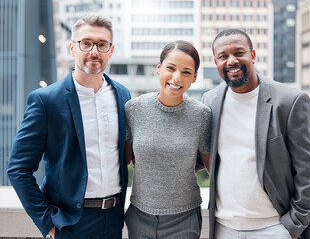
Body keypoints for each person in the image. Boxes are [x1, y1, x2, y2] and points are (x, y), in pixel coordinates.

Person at [7, 13, 130, 239]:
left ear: (111, 51)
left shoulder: (122, 95)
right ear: (73, 48)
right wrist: (48, 223)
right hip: (70, 223)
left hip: (114, 220)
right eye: (86, 43)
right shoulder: (46, 100)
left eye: (102, 44)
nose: (94, 51)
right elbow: (18, 169)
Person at [202, 29, 310, 239]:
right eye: (223, 56)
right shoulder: (209, 101)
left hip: (274, 228)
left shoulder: (289, 101)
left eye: (238, 53)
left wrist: (292, 227)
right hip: (223, 228)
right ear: (216, 62)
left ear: (253, 55)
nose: (231, 60)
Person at [124, 40, 211, 239]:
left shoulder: (202, 115)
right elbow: (124, 161)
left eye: (186, 72)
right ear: (159, 68)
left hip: (185, 219)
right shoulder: (134, 109)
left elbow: (211, 168)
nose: (176, 78)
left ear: (195, 77)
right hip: (139, 216)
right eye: (170, 68)